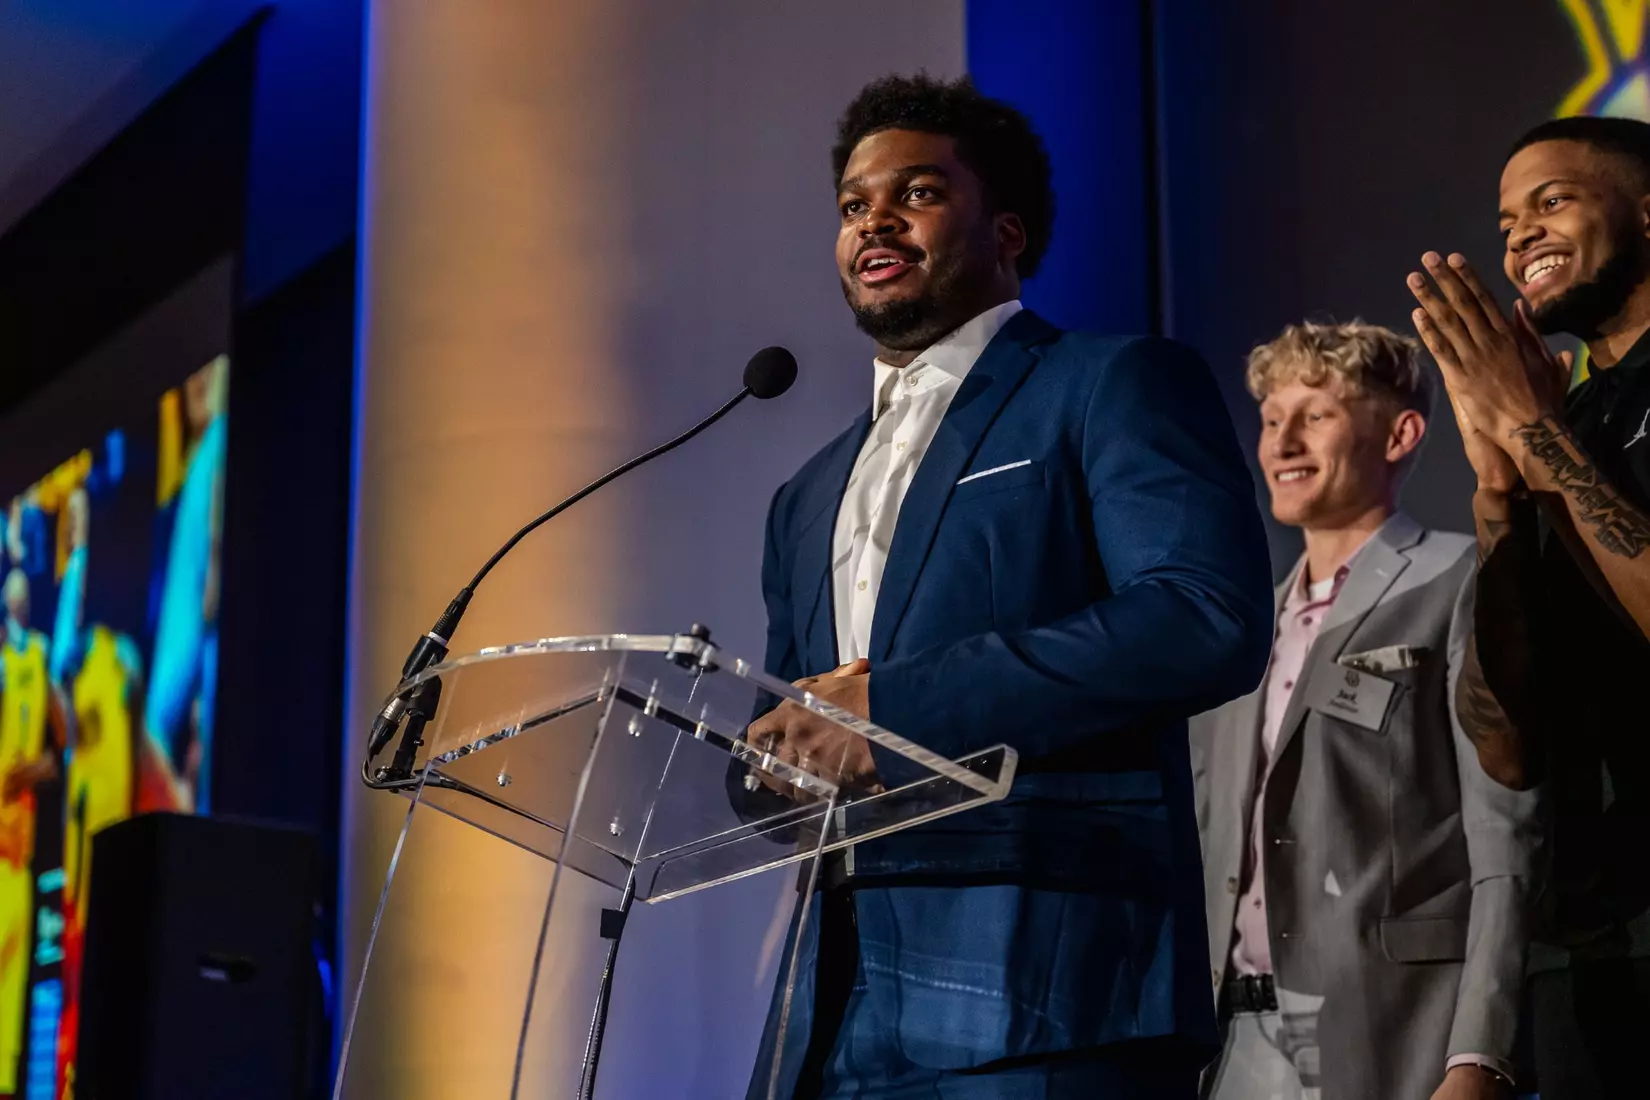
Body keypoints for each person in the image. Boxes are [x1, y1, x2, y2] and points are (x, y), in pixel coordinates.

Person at [741, 74, 1274, 1100]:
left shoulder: (1108, 382)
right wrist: (758, 760)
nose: (874, 222)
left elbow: (1204, 613)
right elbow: (804, 716)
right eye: (853, 204)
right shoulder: (804, 496)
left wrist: (892, 707)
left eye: (918, 192)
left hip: (1045, 988)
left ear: (1009, 230)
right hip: (835, 1015)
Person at [1190, 322, 1542, 1100]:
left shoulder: (1458, 579)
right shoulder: (1246, 625)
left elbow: (1505, 839)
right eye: (1270, 418)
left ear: (1401, 433)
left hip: (1396, 1040)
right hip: (1234, 1047)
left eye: (1313, 415)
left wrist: (1480, 1055)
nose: (1281, 440)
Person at [1406, 114, 1650, 1099]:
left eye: (1551, 200)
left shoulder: (1556, 420)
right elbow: (1507, 744)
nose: (1518, 236)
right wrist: (1501, 492)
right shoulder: (1569, 414)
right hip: (1586, 947)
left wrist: (1536, 434)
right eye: (1507, 219)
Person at [0, 569, 59, 1093]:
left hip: (16, 862)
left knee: (10, 1016)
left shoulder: (37, 658)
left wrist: (30, 770)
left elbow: (56, 756)